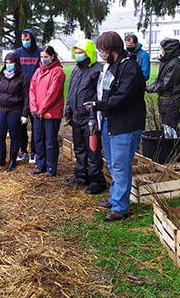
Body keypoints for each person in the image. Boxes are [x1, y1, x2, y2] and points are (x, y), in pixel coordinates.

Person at [85, 31, 146, 221]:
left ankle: (120, 208)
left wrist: (98, 105)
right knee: (112, 163)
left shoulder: (130, 68)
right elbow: (104, 92)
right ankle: (115, 197)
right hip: (110, 123)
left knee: (120, 165)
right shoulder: (111, 67)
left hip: (126, 125)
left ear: (113, 50)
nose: (101, 54)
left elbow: (123, 97)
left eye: (103, 51)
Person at [64, 39, 106, 194]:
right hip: (76, 117)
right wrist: (68, 111)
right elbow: (71, 93)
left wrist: (95, 116)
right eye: (76, 52)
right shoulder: (76, 70)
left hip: (90, 118)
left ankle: (97, 181)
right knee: (79, 147)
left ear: (89, 53)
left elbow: (99, 95)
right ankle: (81, 175)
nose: (78, 55)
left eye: (81, 52)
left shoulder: (97, 70)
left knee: (93, 150)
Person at [146, 38, 180, 161]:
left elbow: (165, 84)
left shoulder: (175, 64)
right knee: (168, 127)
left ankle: (179, 154)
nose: (161, 51)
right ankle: (179, 153)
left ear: (168, 50)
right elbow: (159, 80)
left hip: (171, 100)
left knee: (170, 127)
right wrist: (148, 87)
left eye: (162, 48)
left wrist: (149, 89)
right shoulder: (167, 62)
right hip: (165, 100)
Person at [0, 52, 30, 172]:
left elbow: (27, 97)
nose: (8, 65)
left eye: (11, 62)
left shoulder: (23, 77)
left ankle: (12, 160)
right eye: (7, 62)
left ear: (16, 63)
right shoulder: (2, 76)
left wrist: (24, 114)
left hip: (15, 110)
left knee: (14, 136)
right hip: (1, 110)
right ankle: (1, 160)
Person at [29, 45, 66, 177]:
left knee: (50, 141)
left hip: (51, 113)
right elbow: (32, 90)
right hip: (37, 113)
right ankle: (40, 164)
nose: (43, 59)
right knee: (38, 139)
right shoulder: (38, 71)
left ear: (52, 57)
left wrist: (41, 109)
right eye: (42, 57)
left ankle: (51, 167)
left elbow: (52, 93)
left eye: (46, 57)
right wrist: (33, 108)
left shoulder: (58, 72)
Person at [14, 29, 41, 163]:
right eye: (23, 40)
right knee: (21, 124)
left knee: (35, 124)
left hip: (35, 93)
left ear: (33, 39)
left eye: (28, 39)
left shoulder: (39, 53)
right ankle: (23, 149)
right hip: (21, 93)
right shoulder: (18, 53)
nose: (25, 42)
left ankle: (34, 151)